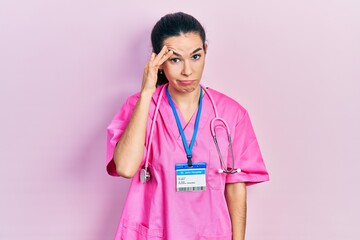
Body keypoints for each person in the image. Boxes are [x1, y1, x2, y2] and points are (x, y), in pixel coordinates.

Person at [106, 12, 269, 240]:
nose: (187, 70)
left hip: (211, 233)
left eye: (195, 56)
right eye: (175, 59)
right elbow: (125, 167)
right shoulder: (140, 107)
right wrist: (146, 93)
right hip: (155, 231)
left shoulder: (231, 114)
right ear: (158, 62)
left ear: (205, 52)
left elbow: (235, 186)